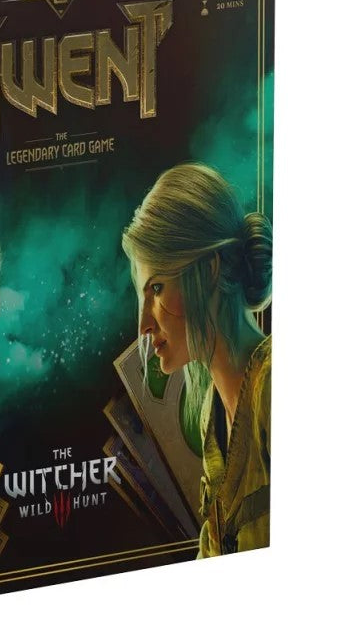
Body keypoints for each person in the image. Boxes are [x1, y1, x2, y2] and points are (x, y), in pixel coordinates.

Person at [122, 163, 272, 557]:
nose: (144, 324)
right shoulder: (212, 414)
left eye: (157, 288)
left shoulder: (274, 385)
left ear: (208, 270)